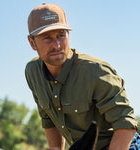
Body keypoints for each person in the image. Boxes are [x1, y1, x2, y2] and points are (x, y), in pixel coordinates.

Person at [25, 3, 140, 150]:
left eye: (61, 35)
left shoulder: (96, 71)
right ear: (32, 42)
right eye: (47, 38)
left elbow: (126, 125)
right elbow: (49, 120)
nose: (57, 45)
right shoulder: (33, 72)